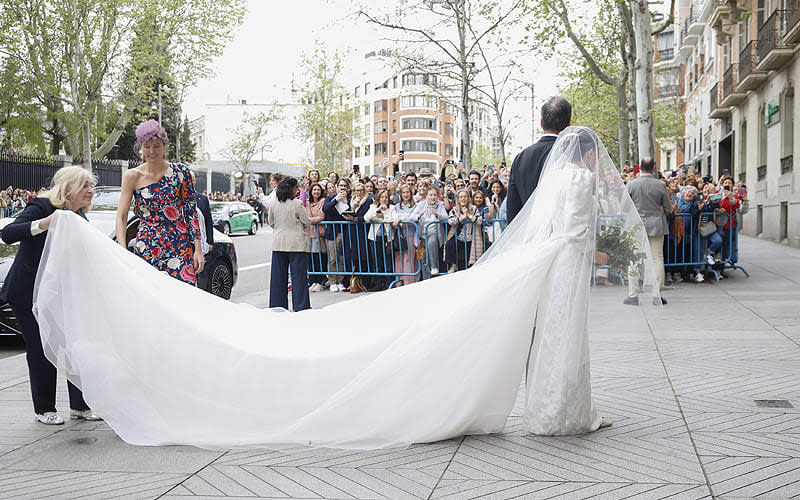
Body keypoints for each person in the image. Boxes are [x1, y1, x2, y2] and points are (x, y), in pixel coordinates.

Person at [0, 166, 101, 424]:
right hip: (27, 293)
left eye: (92, 186)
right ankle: (44, 409)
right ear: (68, 189)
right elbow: (8, 233)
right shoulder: (41, 205)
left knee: (74, 346)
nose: (91, 191)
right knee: (40, 348)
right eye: (86, 186)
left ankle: (80, 406)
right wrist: (44, 224)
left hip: (59, 293)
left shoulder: (78, 215)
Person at [117, 120, 203, 284]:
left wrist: (198, 250)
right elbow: (121, 217)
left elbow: (191, 214)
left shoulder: (180, 172)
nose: (151, 151)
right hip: (147, 245)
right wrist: (122, 250)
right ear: (140, 147)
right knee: (149, 299)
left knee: (183, 297)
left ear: (164, 145)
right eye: (146, 146)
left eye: (156, 145)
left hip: (179, 244)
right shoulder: (132, 176)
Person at [507, 96, 572, 223]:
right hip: (558, 234)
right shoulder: (569, 155)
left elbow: (512, 208)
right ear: (569, 124)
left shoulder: (521, 157)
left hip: (526, 233)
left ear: (541, 123)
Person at [625, 157, 670, 306]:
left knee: (634, 260)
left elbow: (624, 207)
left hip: (636, 226)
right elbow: (668, 208)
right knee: (657, 259)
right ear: (653, 168)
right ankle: (657, 294)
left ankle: (633, 295)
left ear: (640, 167)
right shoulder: (660, 185)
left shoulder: (632, 185)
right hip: (656, 225)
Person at [268, 178, 311, 311]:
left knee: (278, 278)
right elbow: (307, 221)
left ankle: (277, 305)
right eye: (296, 187)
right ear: (292, 189)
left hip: (278, 242)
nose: (297, 190)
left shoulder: (274, 204)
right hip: (296, 243)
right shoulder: (297, 203)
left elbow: (271, 222)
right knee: (299, 278)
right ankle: (301, 306)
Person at [364, 189, 399, 291]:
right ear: (379, 198)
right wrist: (377, 210)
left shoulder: (392, 208)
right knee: (376, 260)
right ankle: (378, 283)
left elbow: (393, 219)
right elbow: (367, 218)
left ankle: (389, 283)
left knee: (388, 260)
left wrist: (383, 216)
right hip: (374, 237)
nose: (384, 199)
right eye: (382, 197)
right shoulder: (373, 207)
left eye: (386, 197)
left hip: (388, 238)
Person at [412, 187, 449, 278]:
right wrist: (419, 215)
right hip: (422, 233)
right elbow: (411, 217)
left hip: (434, 231)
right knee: (423, 256)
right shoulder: (421, 204)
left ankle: (434, 266)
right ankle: (426, 278)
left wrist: (437, 214)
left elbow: (446, 217)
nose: (433, 197)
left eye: (435, 195)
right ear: (426, 196)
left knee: (431, 243)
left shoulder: (440, 205)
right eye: (430, 195)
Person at [322, 178, 352, 292]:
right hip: (332, 232)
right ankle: (332, 281)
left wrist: (345, 201)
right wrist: (336, 200)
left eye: (345, 185)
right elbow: (325, 209)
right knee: (332, 258)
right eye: (340, 185)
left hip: (344, 231)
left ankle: (340, 280)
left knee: (341, 258)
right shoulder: (330, 197)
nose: (342, 187)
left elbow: (351, 212)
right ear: (337, 186)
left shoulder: (349, 199)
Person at [445, 189, 481, 273]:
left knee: (470, 256)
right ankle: (452, 265)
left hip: (471, 237)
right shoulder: (454, 210)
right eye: (461, 197)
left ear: (468, 198)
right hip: (458, 236)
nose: (463, 199)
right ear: (457, 199)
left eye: (465, 197)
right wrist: (462, 218)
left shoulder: (474, 209)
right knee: (449, 244)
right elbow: (450, 221)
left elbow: (479, 220)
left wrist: (468, 215)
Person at [393, 184, 418, 286]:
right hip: (398, 235)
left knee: (408, 259)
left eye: (408, 192)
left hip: (410, 234)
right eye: (404, 192)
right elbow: (393, 218)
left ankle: (408, 283)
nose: (406, 194)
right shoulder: (396, 207)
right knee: (398, 259)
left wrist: (400, 219)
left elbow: (412, 218)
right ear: (400, 194)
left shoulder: (415, 206)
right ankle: (398, 282)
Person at [305, 183, 327, 292]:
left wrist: (309, 220)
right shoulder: (307, 202)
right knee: (310, 258)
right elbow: (306, 214)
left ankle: (319, 281)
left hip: (318, 233)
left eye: (318, 190)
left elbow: (321, 216)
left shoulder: (322, 201)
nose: (316, 192)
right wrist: (311, 218)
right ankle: (313, 280)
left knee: (318, 258)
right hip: (308, 233)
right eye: (314, 190)